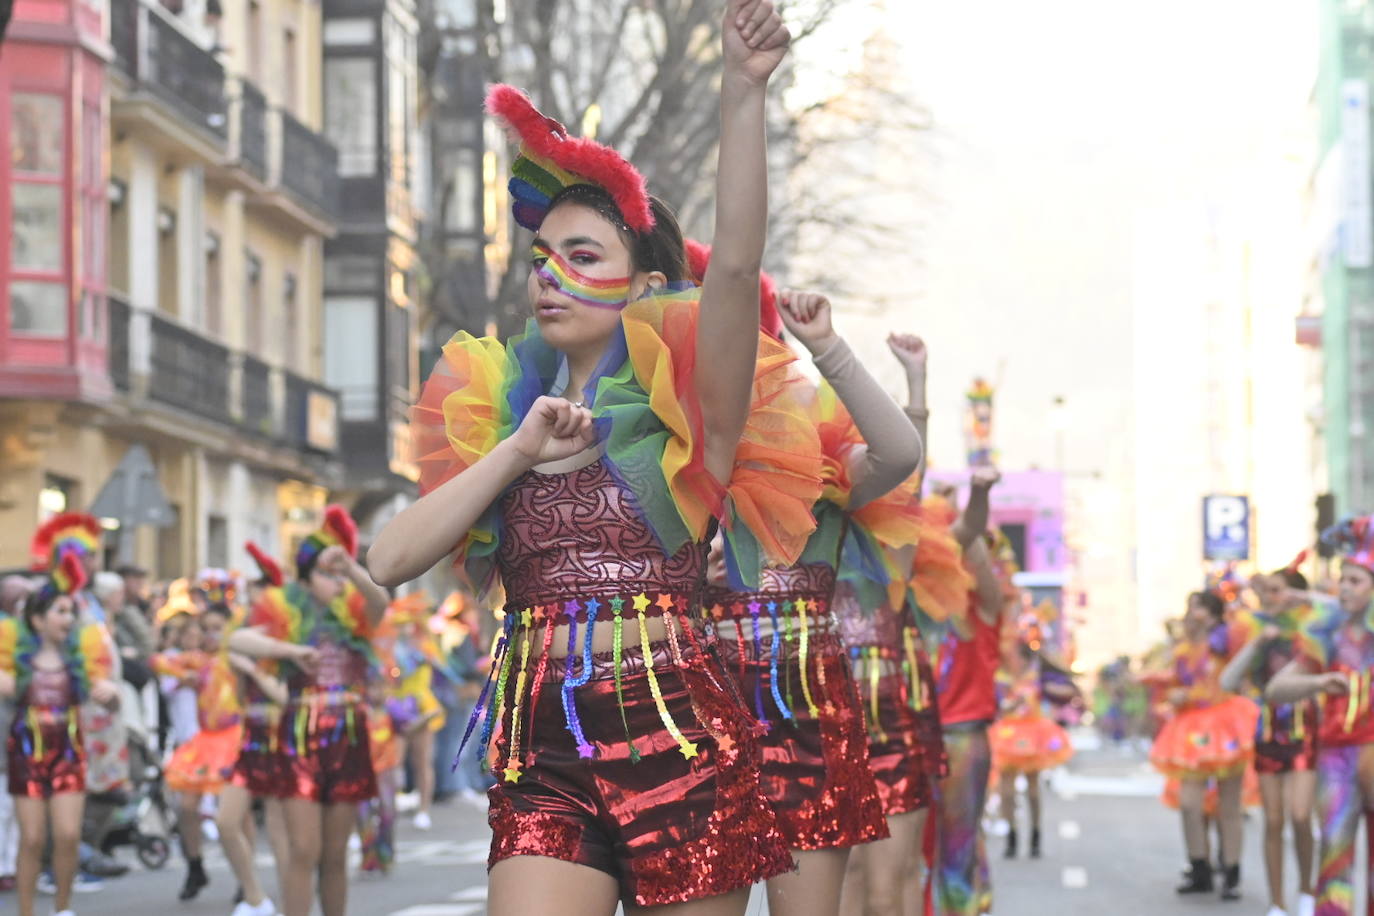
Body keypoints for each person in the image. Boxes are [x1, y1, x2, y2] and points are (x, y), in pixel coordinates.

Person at [370, 4, 806, 911]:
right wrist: (518, 450)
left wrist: (741, 93)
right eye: (541, 257)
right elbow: (387, 561)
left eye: (581, 254)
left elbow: (731, 268)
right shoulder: (492, 415)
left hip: (679, 742)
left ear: (646, 285)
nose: (549, 274)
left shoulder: (692, 416)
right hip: (543, 755)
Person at [697, 275, 922, 915]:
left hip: (807, 714)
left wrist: (827, 346)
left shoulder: (817, 465)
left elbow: (900, 452)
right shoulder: (668, 462)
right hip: (701, 715)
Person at [229, 506, 389, 916]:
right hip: (299, 735)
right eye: (324, 572)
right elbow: (240, 641)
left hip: (349, 737)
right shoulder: (284, 613)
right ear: (303, 576)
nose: (334, 581)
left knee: (335, 856)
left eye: (337, 574)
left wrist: (350, 567)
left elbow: (381, 601)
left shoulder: (355, 616)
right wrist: (291, 651)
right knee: (304, 850)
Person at [0, 549, 119, 916]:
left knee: (68, 835)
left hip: (68, 751)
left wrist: (111, 695)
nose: (69, 618)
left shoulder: (81, 659)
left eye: (71, 611)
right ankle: (26, 911)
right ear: (37, 619)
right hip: (25, 751)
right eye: (60, 611)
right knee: (32, 839)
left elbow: (109, 701)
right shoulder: (14, 659)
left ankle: (63, 908)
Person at [1268, 516, 1374, 916]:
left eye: (1356, 580)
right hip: (1336, 758)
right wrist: (1318, 682)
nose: (1345, 587)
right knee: (1334, 858)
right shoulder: (1324, 637)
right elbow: (1276, 690)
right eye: (1342, 579)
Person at [1220, 564, 1319, 916]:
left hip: (1305, 731)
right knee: (1273, 820)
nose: (1271, 597)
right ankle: (1277, 903)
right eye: (1268, 591)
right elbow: (1228, 682)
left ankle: (1308, 892)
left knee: (1300, 814)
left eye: (1278, 590)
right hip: (1267, 734)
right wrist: (1257, 642)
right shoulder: (1259, 633)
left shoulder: (1313, 632)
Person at [1148, 590, 1258, 901]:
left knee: (1229, 804)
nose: (1190, 613)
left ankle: (1232, 872)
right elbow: (1176, 683)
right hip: (1191, 728)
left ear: (1211, 614)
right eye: (1189, 607)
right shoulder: (1182, 648)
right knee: (1189, 803)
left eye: (1197, 608)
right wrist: (1175, 695)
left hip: (1226, 723)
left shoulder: (1225, 639)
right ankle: (1200, 868)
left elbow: (1243, 653)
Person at [216, 540, 291, 916]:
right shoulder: (245, 639)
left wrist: (253, 671)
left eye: (256, 593)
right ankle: (255, 897)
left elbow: (285, 695)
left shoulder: (287, 641)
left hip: (282, 742)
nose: (250, 602)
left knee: (280, 834)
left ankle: (289, 904)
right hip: (250, 742)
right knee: (226, 821)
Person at [990, 614, 1074, 860]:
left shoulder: (1039, 671)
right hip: (1007, 733)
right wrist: (1006, 705)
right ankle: (1012, 837)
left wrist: (1050, 690)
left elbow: (1067, 688)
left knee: (1033, 789)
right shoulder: (999, 673)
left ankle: (1035, 835)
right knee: (1006, 791)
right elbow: (993, 703)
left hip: (1034, 733)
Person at [374, 592, 447, 831]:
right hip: (396, 708)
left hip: (421, 705)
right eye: (398, 624)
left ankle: (423, 810)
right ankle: (389, 808)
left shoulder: (426, 646)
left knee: (422, 760)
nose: (403, 629)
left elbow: (442, 670)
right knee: (392, 761)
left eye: (407, 624)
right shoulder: (388, 650)